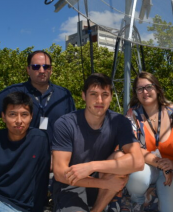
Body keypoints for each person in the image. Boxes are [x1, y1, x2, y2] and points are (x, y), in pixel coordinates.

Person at [51, 73, 145, 212]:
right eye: (93, 94)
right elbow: (59, 172)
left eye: (105, 94)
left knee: (120, 157)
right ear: (84, 96)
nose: (99, 100)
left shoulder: (119, 122)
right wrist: (105, 183)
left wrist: (91, 166)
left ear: (111, 97)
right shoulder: (66, 123)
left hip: (104, 186)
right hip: (72, 183)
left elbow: (138, 162)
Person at [0, 50, 76, 143]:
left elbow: (73, 128)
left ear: (51, 70)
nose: (41, 70)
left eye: (46, 66)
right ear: (28, 70)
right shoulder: (14, 92)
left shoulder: (64, 95)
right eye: (36, 67)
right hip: (23, 161)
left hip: (55, 160)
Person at [125, 72, 173, 212]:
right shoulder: (132, 115)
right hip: (148, 166)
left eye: (149, 87)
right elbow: (134, 148)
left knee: (169, 209)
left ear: (157, 89)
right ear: (136, 93)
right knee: (137, 180)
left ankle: (152, 196)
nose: (145, 92)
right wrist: (163, 165)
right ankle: (137, 202)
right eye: (140, 89)